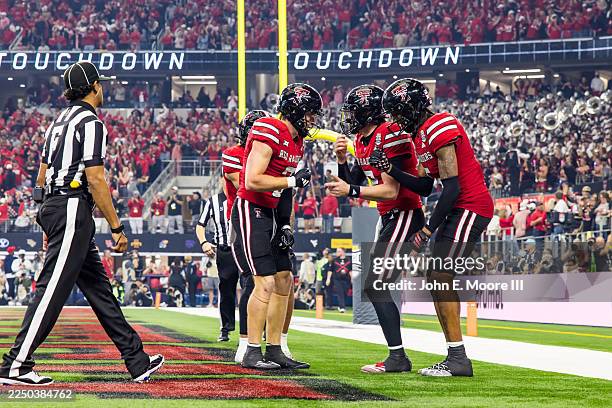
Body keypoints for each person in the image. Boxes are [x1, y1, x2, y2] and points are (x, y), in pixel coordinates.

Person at [0, 62, 164, 386]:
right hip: (72, 207)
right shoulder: (91, 123)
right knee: (51, 289)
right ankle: (15, 364)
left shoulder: (56, 124)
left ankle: (137, 360)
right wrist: (117, 227)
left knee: (100, 290)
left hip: (56, 206)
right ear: (95, 87)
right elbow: (96, 178)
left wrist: (45, 217)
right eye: (100, 84)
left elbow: (40, 178)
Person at [371, 78, 493, 377]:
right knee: (437, 276)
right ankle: (455, 356)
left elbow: (451, 188)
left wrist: (426, 230)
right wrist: (391, 170)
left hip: (470, 205)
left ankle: (458, 358)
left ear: (411, 108)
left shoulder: (439, 125)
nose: (396, 121)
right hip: (458, 207)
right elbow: (426, 186)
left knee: (440, 274)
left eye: (399, 113)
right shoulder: (423, 133)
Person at [325, 84, 423, 373]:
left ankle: (398, 357)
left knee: (376, 285)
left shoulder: (388, 133)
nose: (349, 116)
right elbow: (352, 181)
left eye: (354, 110)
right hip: (391, 216)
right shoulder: (362, 137)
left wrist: (352, 189)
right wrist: (342, 161)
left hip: (404, 212)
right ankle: (397, 356)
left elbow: (390, 191)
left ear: (367, 111)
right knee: (377, 285)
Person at [232, 83, 319, 369]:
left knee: (284, 280)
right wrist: (292, 181)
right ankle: (252, 351)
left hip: (272, 213)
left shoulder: (297, 141)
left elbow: (286, 189)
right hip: (251, 208)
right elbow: (253, 179)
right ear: (294, 110)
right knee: (264, 281)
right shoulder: (269, 128)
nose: (312, 120)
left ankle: (276, 348)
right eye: (308, 114)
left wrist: (284, 224)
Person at [222, 110, 274, 361]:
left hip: (267, 217)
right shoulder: (233, 154)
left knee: (271, 282)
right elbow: (245, 181)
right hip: (243, 218)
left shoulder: (267, 152)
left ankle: (268, 342)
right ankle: (245, 343)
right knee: (251, 282)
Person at [196, 189, 235, 341]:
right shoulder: (213, 201)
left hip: (244, 249)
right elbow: (200, 225)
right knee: (226, 289)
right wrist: (204, 242)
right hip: (224, 250)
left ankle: (255, 329)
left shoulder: (245, 195)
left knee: (251, 289)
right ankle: (225, 328)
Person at [330, 248, 351, 313]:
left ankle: (341, 306)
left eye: (338, 251)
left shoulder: (349, 260)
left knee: (345, 292)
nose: (337, 252)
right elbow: (330, 270)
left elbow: (351, 270)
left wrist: (352, 279)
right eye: (337, 251)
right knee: (340, 292)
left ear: (343, 252)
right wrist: (328, 279)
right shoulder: (335, 260)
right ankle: (342, 307)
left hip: (346, 279)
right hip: (337, 279)